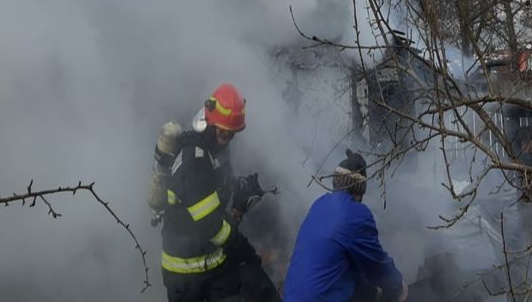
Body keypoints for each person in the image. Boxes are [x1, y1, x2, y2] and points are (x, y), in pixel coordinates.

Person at [158, 83, 271, 302]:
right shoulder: (195, 159)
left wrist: (239, 193)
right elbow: (212, 226)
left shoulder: (212, 153)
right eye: (222, 131)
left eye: (231, 133)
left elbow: (215, 196)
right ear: (209, 121)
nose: (226, 137)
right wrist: (243, 248)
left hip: (212, 264)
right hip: (185, 273)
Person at [283, 150, 408, 302]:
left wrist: (372, 293)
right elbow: (377, 265)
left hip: (291, 297)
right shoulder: (356, 213)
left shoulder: (319, 205)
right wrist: (397, 287)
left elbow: (343, 268)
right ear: (360, 190)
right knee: (399, 292)